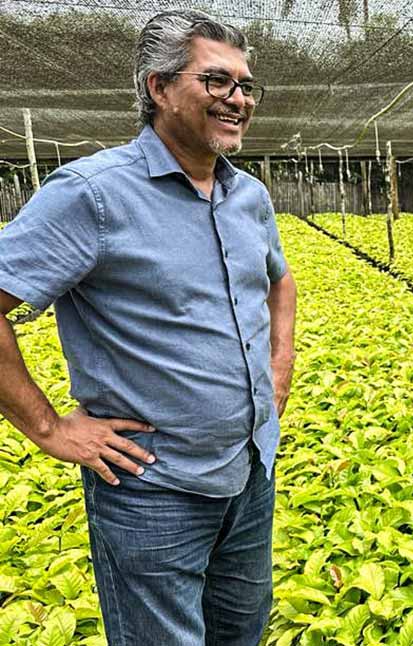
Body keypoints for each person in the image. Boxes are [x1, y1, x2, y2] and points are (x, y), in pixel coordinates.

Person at [0, 10, 296, 645]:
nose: (238, 100)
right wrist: (49, 428)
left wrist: (278, 370)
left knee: (240, 634)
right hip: (152, 491)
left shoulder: (248, 195)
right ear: (158, 88)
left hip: (249, 473)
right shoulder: (91, 194)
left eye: (245, 86)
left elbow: (278, 280)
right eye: (217, 82)